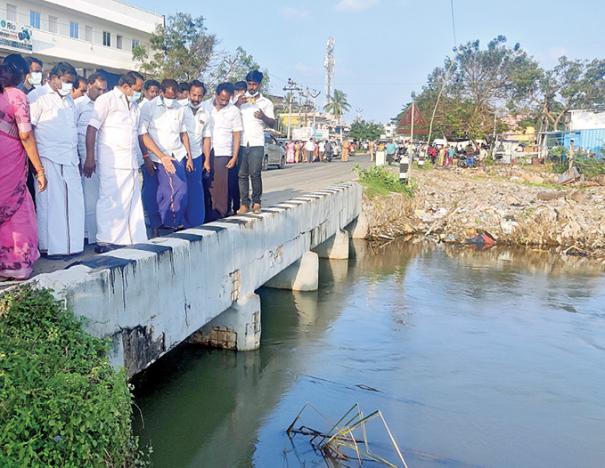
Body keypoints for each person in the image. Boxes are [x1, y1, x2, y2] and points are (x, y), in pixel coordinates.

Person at [84, 71, 147, 252]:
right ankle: (105, 239)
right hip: (111, 160)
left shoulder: (135, 106)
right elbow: (92, 128)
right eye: (137, 89)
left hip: (130, 160)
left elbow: (140, 134)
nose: (139, 93)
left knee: (131, 201)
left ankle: (131, 238)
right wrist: (90, 157)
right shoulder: (107, 100)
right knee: (109, 199)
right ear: (126, 86)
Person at [29, 61, 84, 257]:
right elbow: (30, 131)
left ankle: (73, 246)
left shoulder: (69, 100)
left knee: (74, 203)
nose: (69, 86)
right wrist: (37, 166)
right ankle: (51, 248)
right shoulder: (37, 97)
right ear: (53, 78)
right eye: (66, 81)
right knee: (51, 204)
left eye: (71, 82)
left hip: (69, 158)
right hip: (48, 157)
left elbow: (71, 130)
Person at [0, 64, 47, 280]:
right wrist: (39, 169)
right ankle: (16, 264)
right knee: (17, 207)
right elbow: (26, 135)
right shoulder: (17, 96)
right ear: (19, 78)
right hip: (9, 158)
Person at [139, 79, 193, 231]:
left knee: (180, 188)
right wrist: (146, 157)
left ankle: (171, 221)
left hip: (176, 154)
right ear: (162, 92)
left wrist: (188, 156)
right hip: (155, 156)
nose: (170, 100)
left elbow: (183, 134)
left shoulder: (180, 108)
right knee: (157, 191)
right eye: (168, 96)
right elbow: (142, 134)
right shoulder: (148, 107)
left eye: (173, 96)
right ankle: (158, 224)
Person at [234, 70, 274, 215]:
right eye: (249, 84)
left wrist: (263, 116)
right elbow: (230, 114)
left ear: (259, 85)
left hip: (257, 142)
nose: (252, 87)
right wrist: (238, 103)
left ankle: (257, 202)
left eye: (254, 84)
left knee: (255, 174)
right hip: (242, 142)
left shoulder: (266, 103)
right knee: (241, 175)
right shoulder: (240, 100)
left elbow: (273, 123)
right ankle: (244, 203)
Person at [75, 73, 107, 245]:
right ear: (89, 85)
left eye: (104, 90)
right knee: (89, 197)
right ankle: (90, 236)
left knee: (103, 196)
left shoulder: (106, 104)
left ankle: (100, 233)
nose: (102, 93)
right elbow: (72, 131)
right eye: (98, 89)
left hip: (104, 155)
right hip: (85, 156)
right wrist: (84, 158)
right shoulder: (78, 105)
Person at [204, 82, 242, 221]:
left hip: (224, 151)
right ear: (216, 95)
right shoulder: (205, 106)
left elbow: (237, 135)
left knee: (221, 186)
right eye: (221, 99)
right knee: (207, 184)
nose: (224, 102)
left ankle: (220, 214)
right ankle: (207, 213)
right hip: (206, 149)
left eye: (227, 100)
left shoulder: (234, 111)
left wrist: (234, 156)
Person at [182, 79, 210, 227]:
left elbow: (207, 138)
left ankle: (195, 223)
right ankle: (179, 221)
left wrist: (206, 160)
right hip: (181, 155)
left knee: (195, 191)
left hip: (198, 155)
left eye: (199, 96)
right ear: (188, 94)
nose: (196, 99)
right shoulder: (180, 109)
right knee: (181, 189)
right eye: (193, 95)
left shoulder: (206, 113)